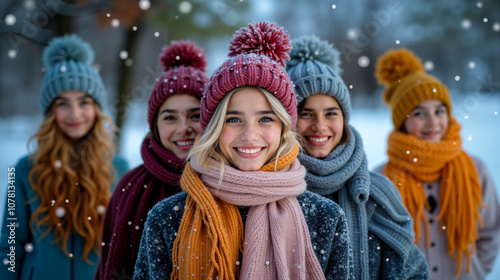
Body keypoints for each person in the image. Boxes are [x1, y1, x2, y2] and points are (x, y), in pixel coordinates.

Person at [133, 22, 353, 280]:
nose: (250, 135)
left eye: (265, 119)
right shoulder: (167, 218)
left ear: (285, 127)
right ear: (214, 127)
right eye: (233, 119)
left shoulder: (326, 218)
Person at [285, 35, 429, 280]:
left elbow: (410, 269)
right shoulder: (270, 189)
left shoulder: (376, 194)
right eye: (306, 113)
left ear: (344, 120)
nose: (320, 125)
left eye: (331, 113)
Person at [0, 34, 129, 280]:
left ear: (96, 108)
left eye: (84, 102)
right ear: (51, 111)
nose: (75, 113)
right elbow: (10, 245)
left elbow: (125, 247)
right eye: (63, 103)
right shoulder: (24, 169)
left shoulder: (119, 168)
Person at [374, 48, 500, 280]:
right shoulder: (382, 178)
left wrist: (477, 271)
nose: (433, 122)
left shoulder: (475, 170)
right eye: (419, 114)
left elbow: (491, 232)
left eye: (439, 111)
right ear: (403, 122)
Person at [94, 40, 208, 279]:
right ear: (155, 125)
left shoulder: (230, 180)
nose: (183, 128)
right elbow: (110, 268)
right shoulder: (130, 187)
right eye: (170, 118)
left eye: (195, 115)